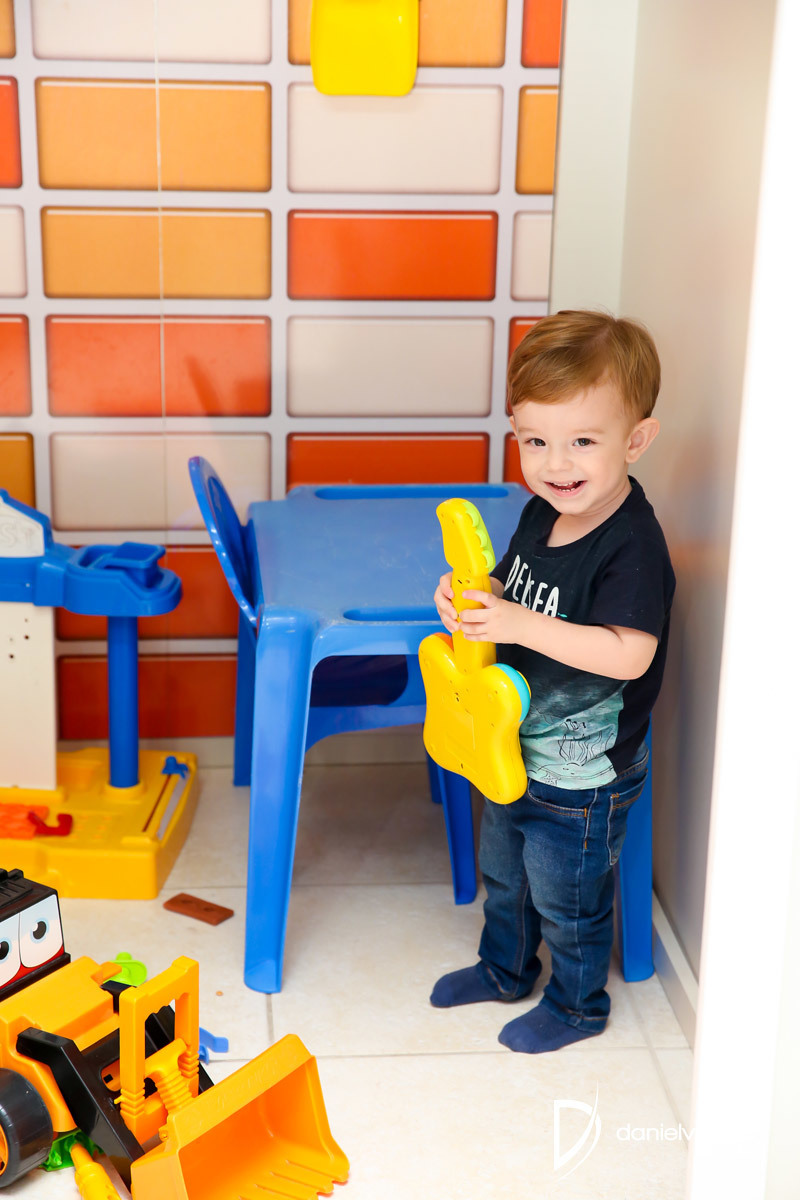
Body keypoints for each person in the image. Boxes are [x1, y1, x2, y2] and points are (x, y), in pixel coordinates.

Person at [430, 309, 676, 1054]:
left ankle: (577, 1007)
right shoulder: (543, 513)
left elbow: (629, 655)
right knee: (504, 875)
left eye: (582, 442)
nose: (556, 463)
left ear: (636, 440)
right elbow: (509, 588)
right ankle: (504, 968)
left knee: (567, 899)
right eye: (535, 440)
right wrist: (473, 597)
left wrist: (520, 625)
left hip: (582, 774)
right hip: (514, 748)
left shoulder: (631, 545)